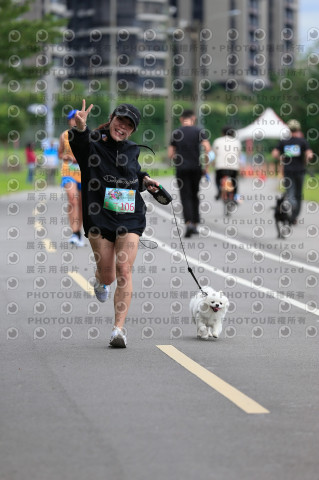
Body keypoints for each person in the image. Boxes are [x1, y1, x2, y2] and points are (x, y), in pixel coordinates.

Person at [68, 100, 160, 348]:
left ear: (133, 130)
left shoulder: (132, 148)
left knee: (124, 269)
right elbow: (79, 145)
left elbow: (132, 173)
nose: (123, 126)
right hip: (99, 215)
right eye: (121, 120)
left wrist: (145, 180)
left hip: (129, 214)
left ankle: (118, 330)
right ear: (112, 118)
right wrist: (80, 128)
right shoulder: (93, 140)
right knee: (108, 275)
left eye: (129, 125)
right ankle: (99, 280)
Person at [168, 109, 211, 238]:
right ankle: (196, 224)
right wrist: (206, 165)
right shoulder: (198, 131)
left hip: (181, 169)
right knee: (195, 194)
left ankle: (188, 224)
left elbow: (170, 154)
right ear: (193, 118)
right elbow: (207, 148)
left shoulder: (176, 133)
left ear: (181, 119)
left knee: (185, 195)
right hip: (196, 168)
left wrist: (178, 156)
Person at [271, 119, 313, 225]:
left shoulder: (284, 141)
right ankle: (294, 216)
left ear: (288, 129)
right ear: (298, 129)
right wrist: (307, 159)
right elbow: (309, 154)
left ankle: (292, 206)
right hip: (300, 171)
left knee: (290, 193)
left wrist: (281, 157)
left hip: (288, 171)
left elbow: (274, 154)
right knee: (299, 194)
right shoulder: (302, 141)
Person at [58, 110, 84, 246]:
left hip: (84, 174)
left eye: (78, 118)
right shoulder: (64, 136)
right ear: (69, 121)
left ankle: (78, 232)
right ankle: (74, 232)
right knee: (72, 200)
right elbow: (60, 154)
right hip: (68, 172)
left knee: (81, 204)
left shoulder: (88, 136)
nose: (75, 121)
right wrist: (67, 157)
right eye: (73, 119)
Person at [211, 126, 241, 202]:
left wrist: (213, 163)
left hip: (220, 167)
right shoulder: (237, 142)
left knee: (218, 179)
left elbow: (213, 154)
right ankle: (234, 195)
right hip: (233, 167)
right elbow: (238, 155)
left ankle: (219, 190)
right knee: (234, 181)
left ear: (222, 133)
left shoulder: (217, 141)